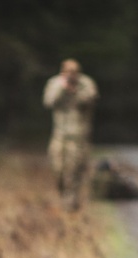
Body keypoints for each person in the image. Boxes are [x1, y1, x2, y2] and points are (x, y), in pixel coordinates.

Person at [43, 59, 99, 211]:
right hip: (59, 135)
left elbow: (91, 99)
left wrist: (75, 90)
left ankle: (70, 206)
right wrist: (63, 88)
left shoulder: (86, 84)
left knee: (73, 172)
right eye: (67, 73)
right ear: (62, 72)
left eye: (73, 73)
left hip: (79, 137)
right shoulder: (55, 83)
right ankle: (65, 197)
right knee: (58, 170)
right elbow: (48, 101)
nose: (70, 76)